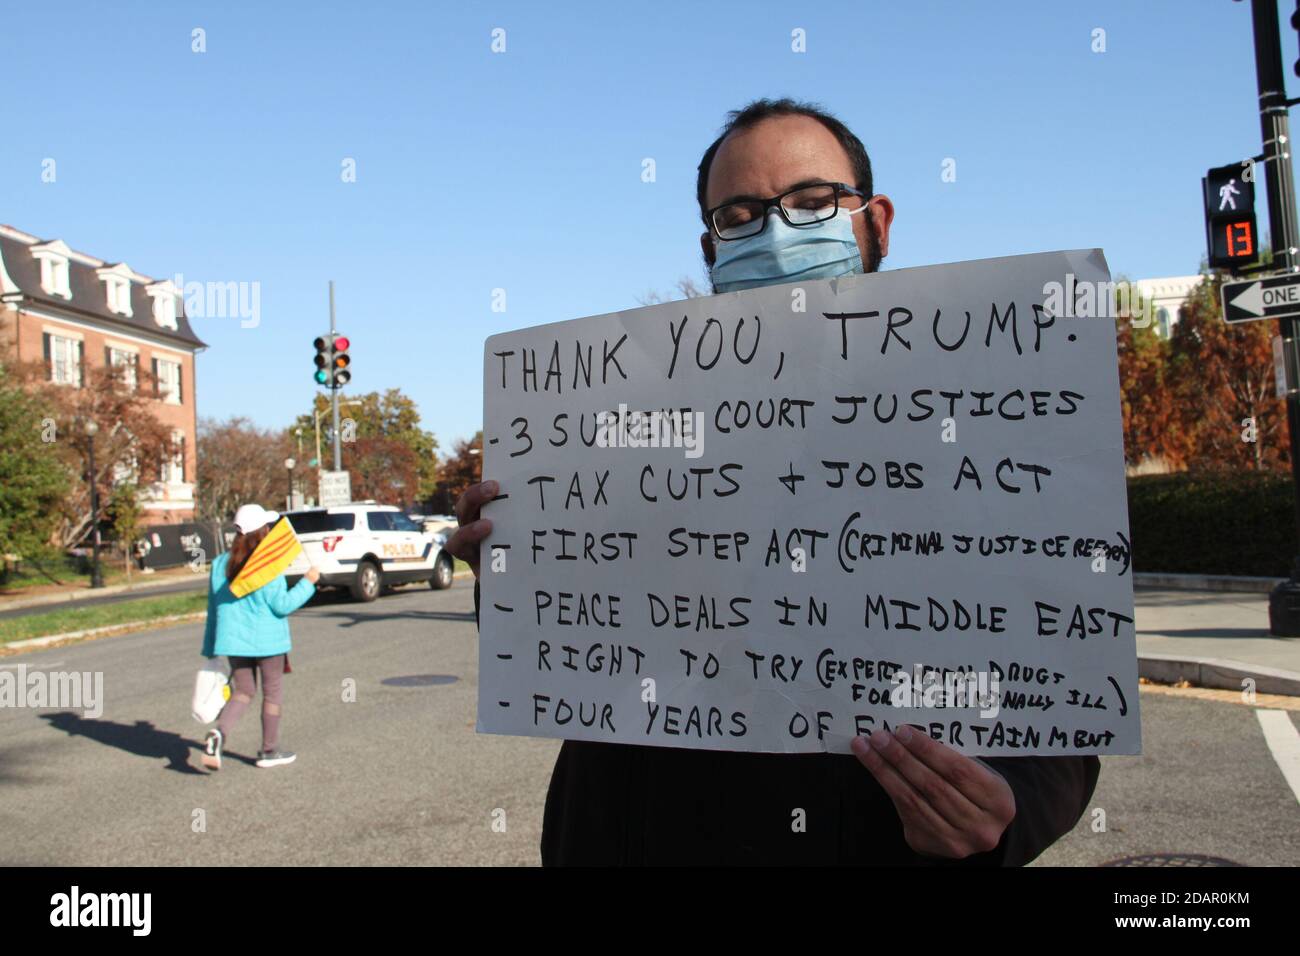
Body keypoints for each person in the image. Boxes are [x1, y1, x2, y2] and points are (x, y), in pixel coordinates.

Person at [450, 98, 1100, 864]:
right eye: (742, 214)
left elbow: (1059, 715)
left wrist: (1003, 815)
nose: (777, 231)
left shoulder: (992, 429)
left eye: (813, 202)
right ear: (711, 245)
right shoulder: (615, 424)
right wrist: (512, 568)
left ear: (877, 222)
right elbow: (582, 659)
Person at [200, 503, 320, 771]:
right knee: (272, 694)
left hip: (233, 642)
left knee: (243, 691)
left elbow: (213, 610)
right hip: (268, 642)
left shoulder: (220, 564)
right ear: (264, 530)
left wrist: (210, 648)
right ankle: (269, 751)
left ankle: (219, 733)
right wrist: (308, 582)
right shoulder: (268, 565)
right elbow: (282, 605)